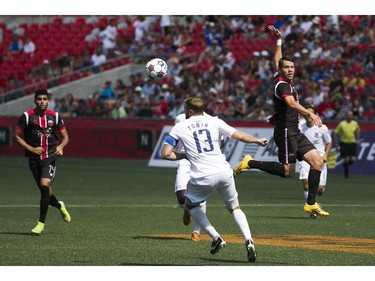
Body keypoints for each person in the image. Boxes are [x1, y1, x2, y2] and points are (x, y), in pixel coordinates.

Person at [233, 25, 330, 217]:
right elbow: (291, 104)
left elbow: (278, 59)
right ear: (281, 70)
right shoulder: (282, 85)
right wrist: (310, 114)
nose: (290, 69)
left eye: (292, 67)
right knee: (288, 172)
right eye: (287, 67)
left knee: (317, 162)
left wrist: (279, 41)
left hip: (295, 131)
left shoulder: (283, 77)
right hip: (285, 131)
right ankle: (250, 163)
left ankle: (311, 203)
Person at [161, 95, 268, 263]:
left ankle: (216, 237)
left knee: (189, 205)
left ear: (189, 111)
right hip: (224, 171)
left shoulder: (179, 127)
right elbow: (238, 135)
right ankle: (249, 240)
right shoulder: (215, 121)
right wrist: (257, 140)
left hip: (203, 175)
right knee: (235, 208)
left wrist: (185, 155)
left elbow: (165, 153)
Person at [13, 89, 71, 235]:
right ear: (35, 101)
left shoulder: (55, 116)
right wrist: (31, 148)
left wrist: (61, 146)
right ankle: (59, 205)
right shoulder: (27, 116)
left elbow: (65, 137)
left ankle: (41, 224)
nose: (42, 101)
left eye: (45, 99)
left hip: (50, 156)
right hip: (33, 159)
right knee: (45, 192)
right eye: (39, 99)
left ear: (48, 101)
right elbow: (16, 136)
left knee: (44, 186)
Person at [298, 104, 332, 218]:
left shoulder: (322, 127)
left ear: (315, 114)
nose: (308, 115)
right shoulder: (300, 127)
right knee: (306, 184)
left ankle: (314, 202)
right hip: (305, 158)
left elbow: (329, 142)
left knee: (320, 189)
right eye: (306, 113)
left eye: (310, 113)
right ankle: (312, 209)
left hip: (319, 159)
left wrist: (326, 155)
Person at [333, 110, 360, 178]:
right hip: (344, 143)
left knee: (353, 159)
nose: (350, 116)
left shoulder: (355, 123)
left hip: (352, 143)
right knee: (347, 159)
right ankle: (346, 172)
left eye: (351, 115)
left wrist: (357, 139)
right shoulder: (342, 124)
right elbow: (336, 132)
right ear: (346, 116)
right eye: (348, 115)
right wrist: (336, 143)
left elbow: (357, 131)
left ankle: (345, 165)